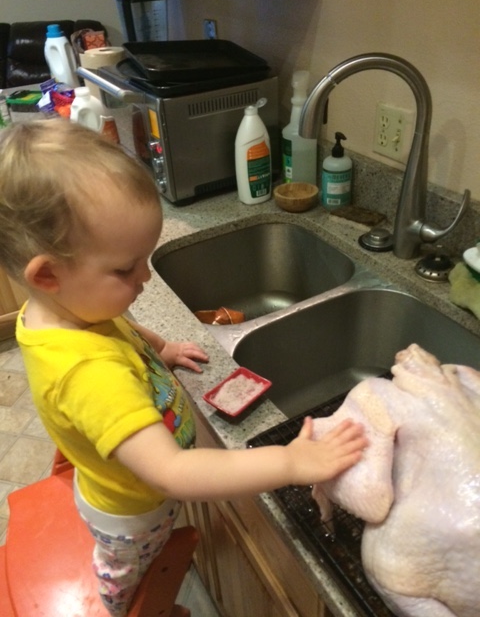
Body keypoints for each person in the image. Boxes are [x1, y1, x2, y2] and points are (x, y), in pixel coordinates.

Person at [0, 119, 368, 617]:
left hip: (117, 480)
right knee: (126, 574)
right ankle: (119, 607)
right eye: (125, 268)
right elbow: (172, 473)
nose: (145, 277)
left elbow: (119, 328)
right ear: (47, 274)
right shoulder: (87, 376)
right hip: (133, 516)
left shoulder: (65, 310)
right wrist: (292, 464)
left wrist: (162, 349)